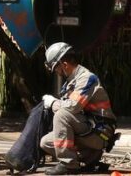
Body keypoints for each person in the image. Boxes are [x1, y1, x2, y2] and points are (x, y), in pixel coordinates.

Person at [38, 42, 118, 175]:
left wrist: (53, 103)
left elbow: (73, 107)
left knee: (62, 115)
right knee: (45, 142)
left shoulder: (87, 78)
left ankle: (68, 164)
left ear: (64, 64)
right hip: (87, 127)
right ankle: (90, 157)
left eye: (56, 68)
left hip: (100, 132)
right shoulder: (71, 83)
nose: (57, 72)